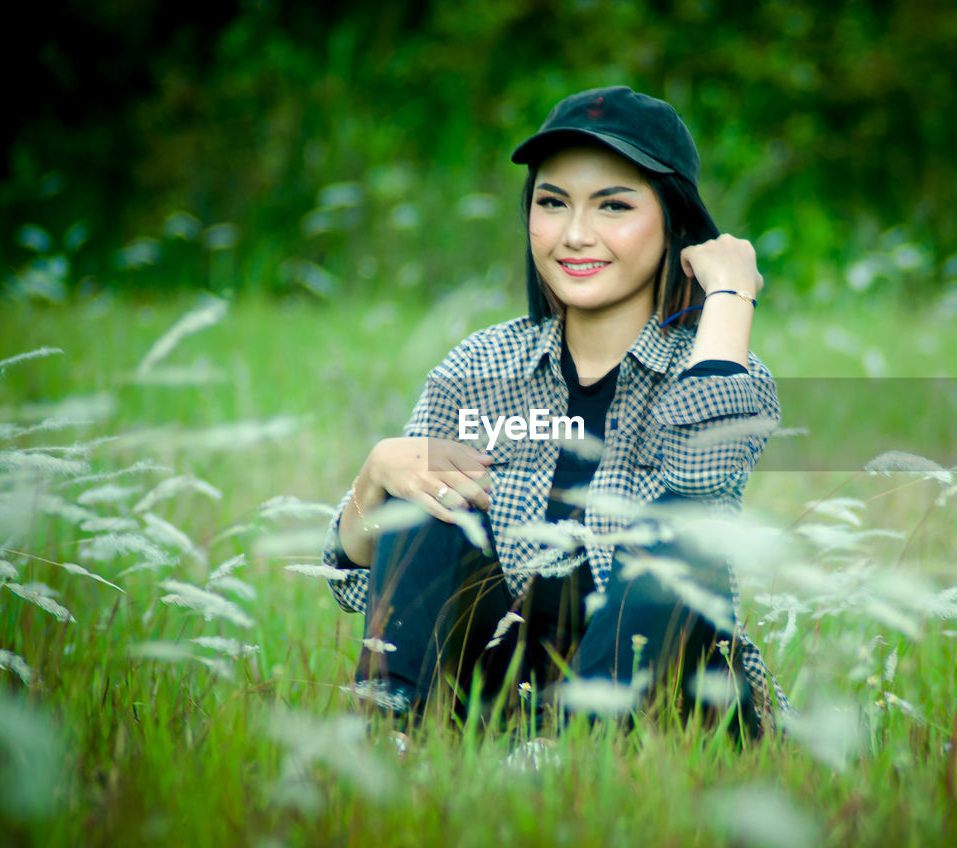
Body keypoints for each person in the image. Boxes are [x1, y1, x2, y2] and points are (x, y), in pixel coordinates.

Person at [321, 86, 790, 738]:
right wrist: (374, 478)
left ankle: (576, 753)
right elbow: (355, 584)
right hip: (502, 695)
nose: (574, 234)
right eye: (552, 203)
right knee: (426, 486)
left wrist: (730, 294)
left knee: (678, 538)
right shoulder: (478, 369)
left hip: (672, 705)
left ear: (675, 223)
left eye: (614, 206)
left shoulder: (726, 371)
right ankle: (388, 737)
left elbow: (702, 490)